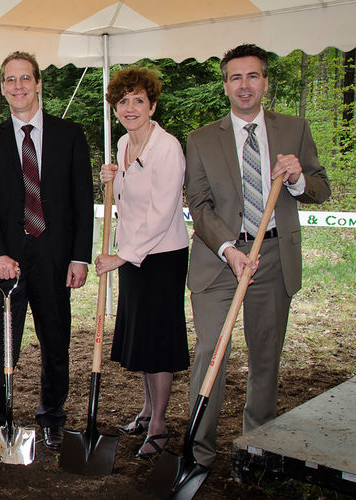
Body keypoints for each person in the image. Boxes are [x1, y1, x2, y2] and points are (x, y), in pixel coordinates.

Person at [184, 43, 330, 467]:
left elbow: (321, 188)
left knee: (266, 355)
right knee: (212, 350)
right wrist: (229, 249)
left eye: (252, 76)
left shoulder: (294, 130)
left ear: (265, 81)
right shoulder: (201, 138)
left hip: (272, 258)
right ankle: (200, 450)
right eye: (235, 78)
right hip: (220, 262)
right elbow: (199, 204)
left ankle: (257, 449)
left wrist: (299, 177)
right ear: (225, 86)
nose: (243, 86)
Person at [0, 51, 93, 451]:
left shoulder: (69, 135)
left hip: (56, 258)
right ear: (3, 87)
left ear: (39, 83)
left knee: (55, 339)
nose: (18, 86)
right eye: (10, 80)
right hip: (6, 259)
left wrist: (79, 257)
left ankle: (52, 417)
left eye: (25, 78)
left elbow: (81, 201)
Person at [94, 67, 190, 459]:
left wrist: (123, 256)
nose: (130, 108)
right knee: (143, 338)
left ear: (152, 104)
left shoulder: (167, 147)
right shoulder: (122, 144)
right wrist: (110, 179)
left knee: (158, 340)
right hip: (132, 253)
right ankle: (147, 409)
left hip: (162, 256)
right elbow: (129, 203)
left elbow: (164, 211)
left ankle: (160, 426)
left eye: (138, 100)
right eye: (123, 101)